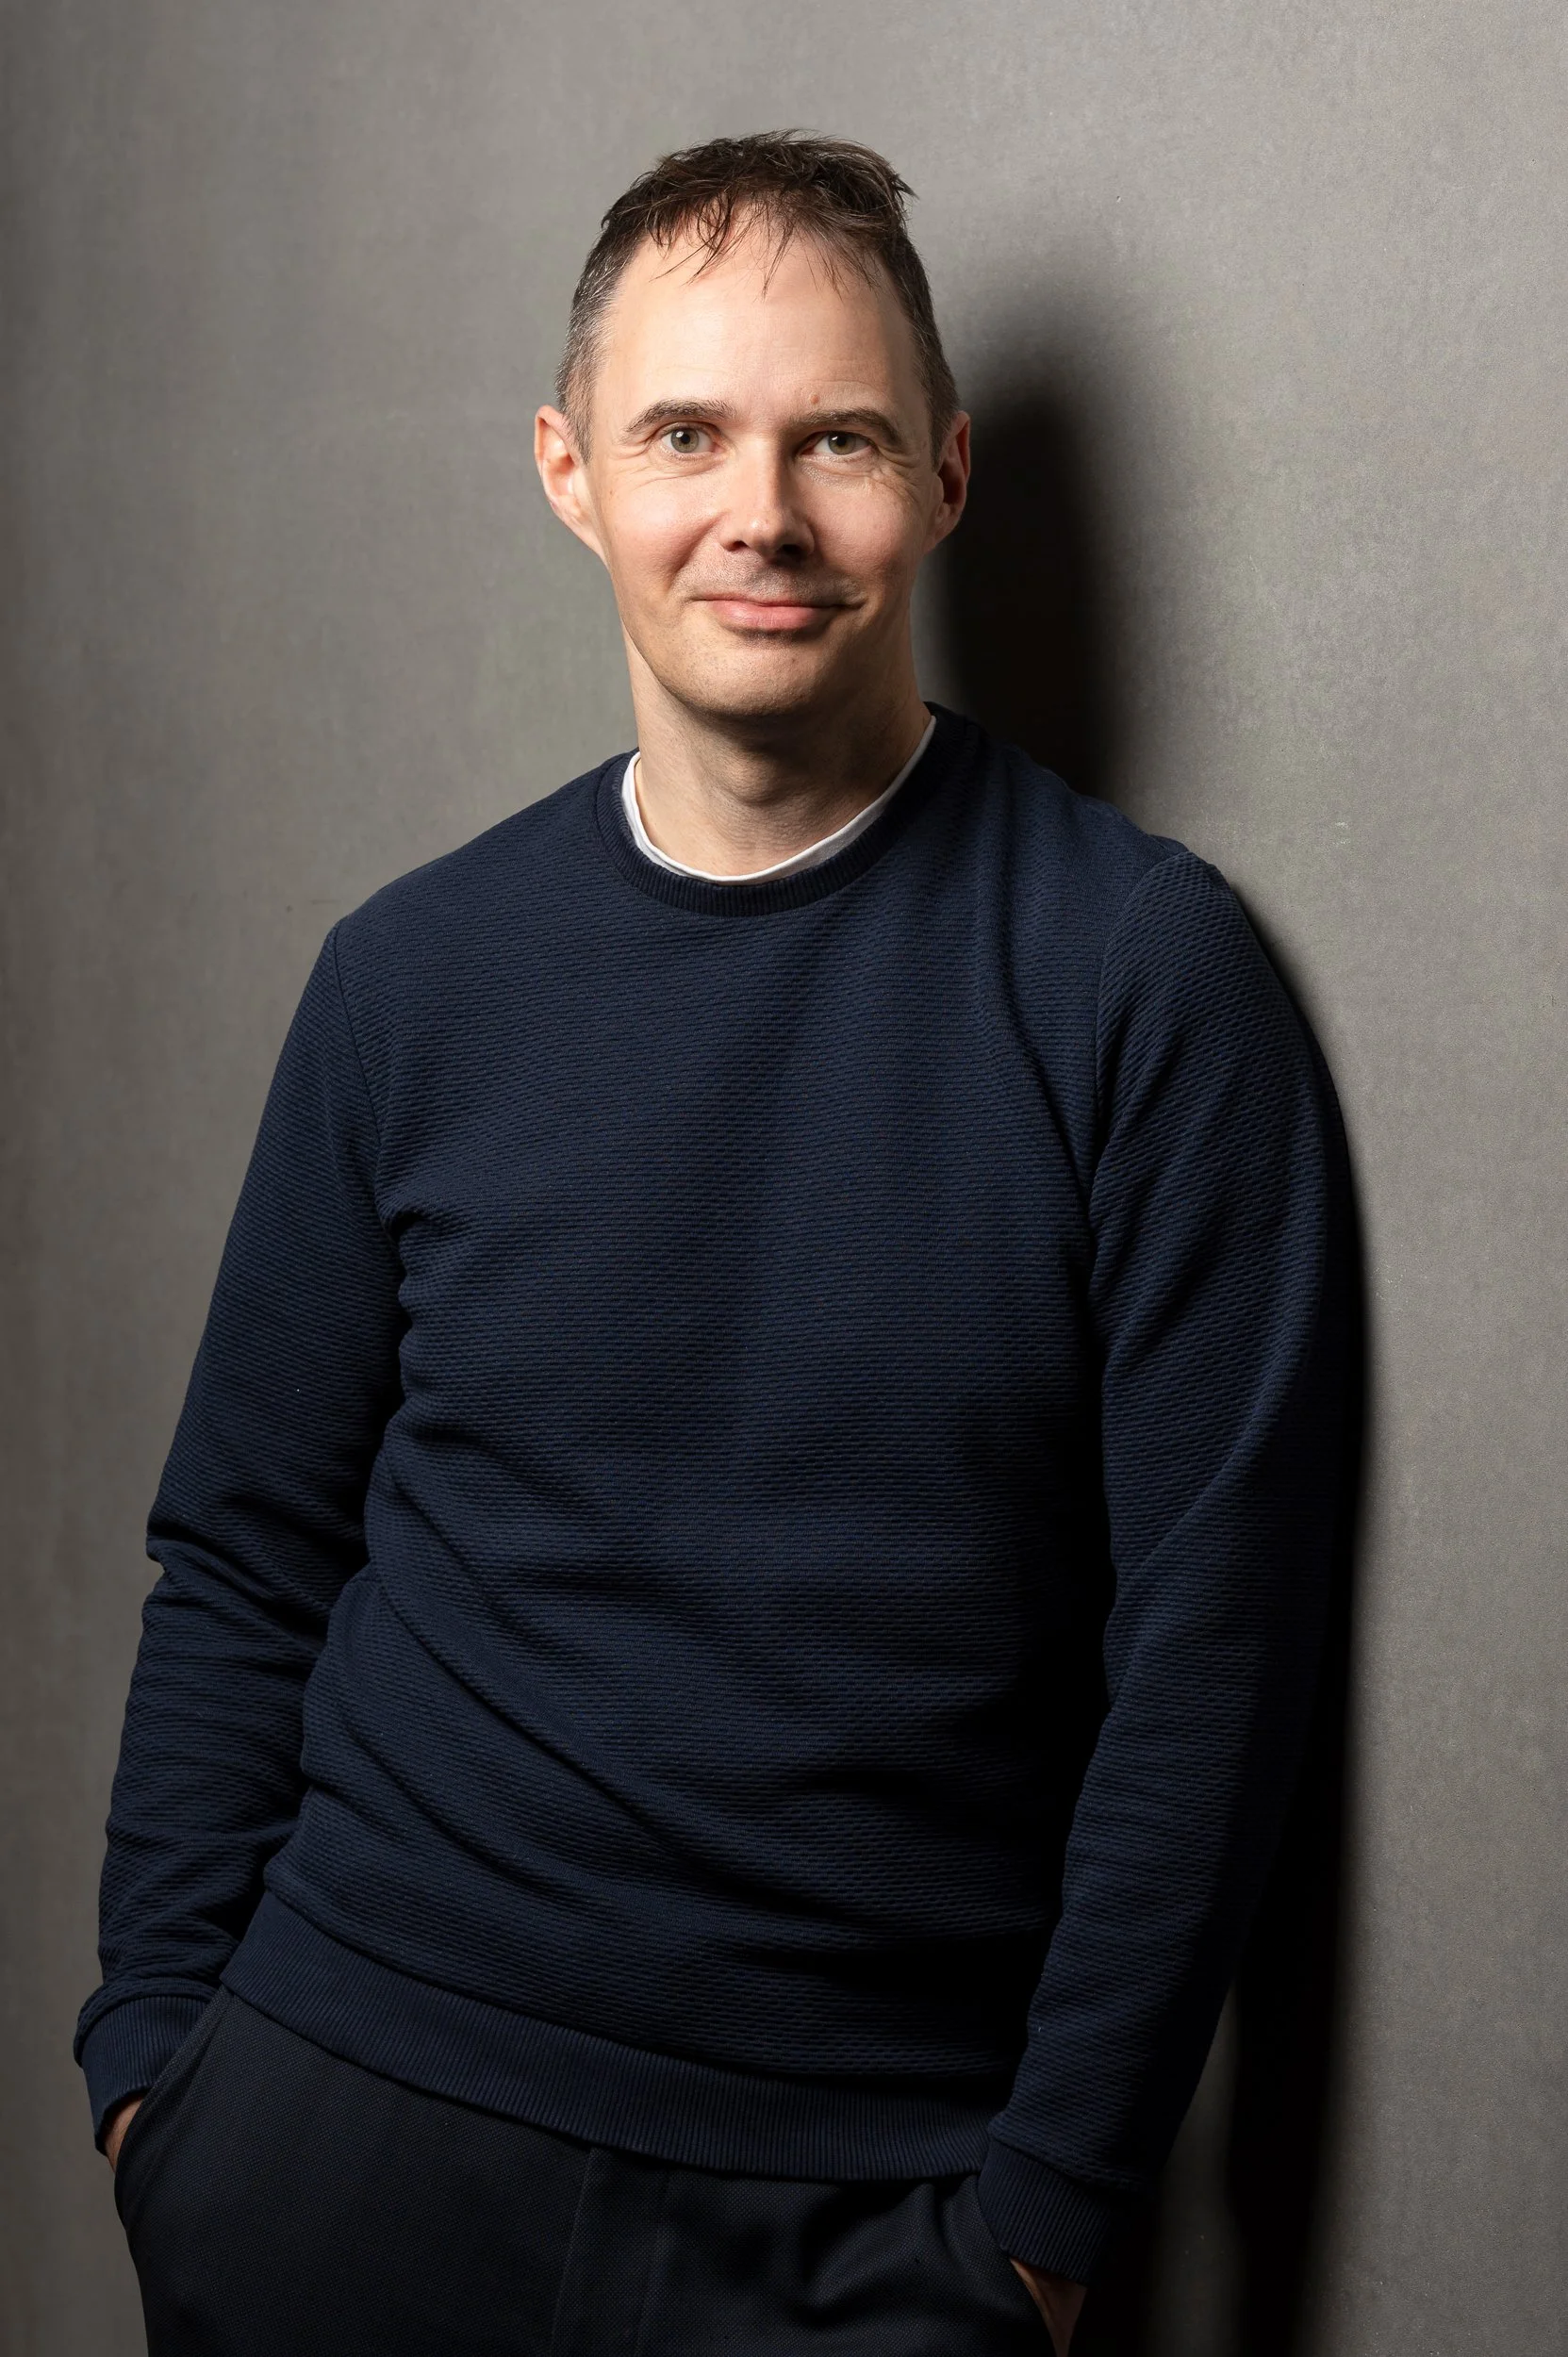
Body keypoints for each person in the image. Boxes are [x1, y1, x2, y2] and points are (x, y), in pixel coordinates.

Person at [77, 131, 1349, 2357]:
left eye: (834, 438)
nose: (756, 513)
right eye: (685, 433)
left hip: (861, 2215)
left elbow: (1214, 1664)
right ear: (573, 472)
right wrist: (159, 2086)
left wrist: (1039, 2231)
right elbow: (249, 1554)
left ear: (941, 478)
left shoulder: (1147, 980)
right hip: (331, 2140)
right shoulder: (410, 979)